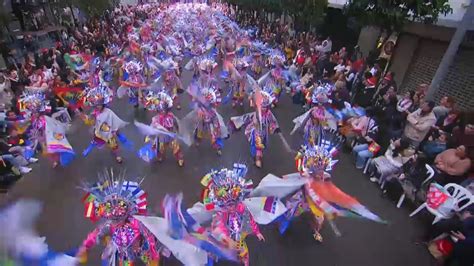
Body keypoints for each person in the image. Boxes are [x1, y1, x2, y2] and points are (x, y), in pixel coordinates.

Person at [79, 84, 129, 163]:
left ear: (103, 104)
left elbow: (114, 121)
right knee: (96, 141)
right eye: (97, 105)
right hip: (99, 132)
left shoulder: (108, 112)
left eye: (100, 105)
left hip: (109, 132)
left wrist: (118, 134)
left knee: (113, 144)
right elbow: (92, 122)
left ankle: (117, 155)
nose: (98, 106)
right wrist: (84, 117)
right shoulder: (94, 113)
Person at [136, 90, 184, 166]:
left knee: (176, 148)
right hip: (161, 136)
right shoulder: (156, 119)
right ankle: (160, 156)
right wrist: (148, 135)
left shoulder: (171, 116)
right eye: (161, 110)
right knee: (160, 149)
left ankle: (180, 158)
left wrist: (178, 132)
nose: (162, 112)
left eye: (164, 110)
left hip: (171, 134)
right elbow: (151, 128)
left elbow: (175, 123)